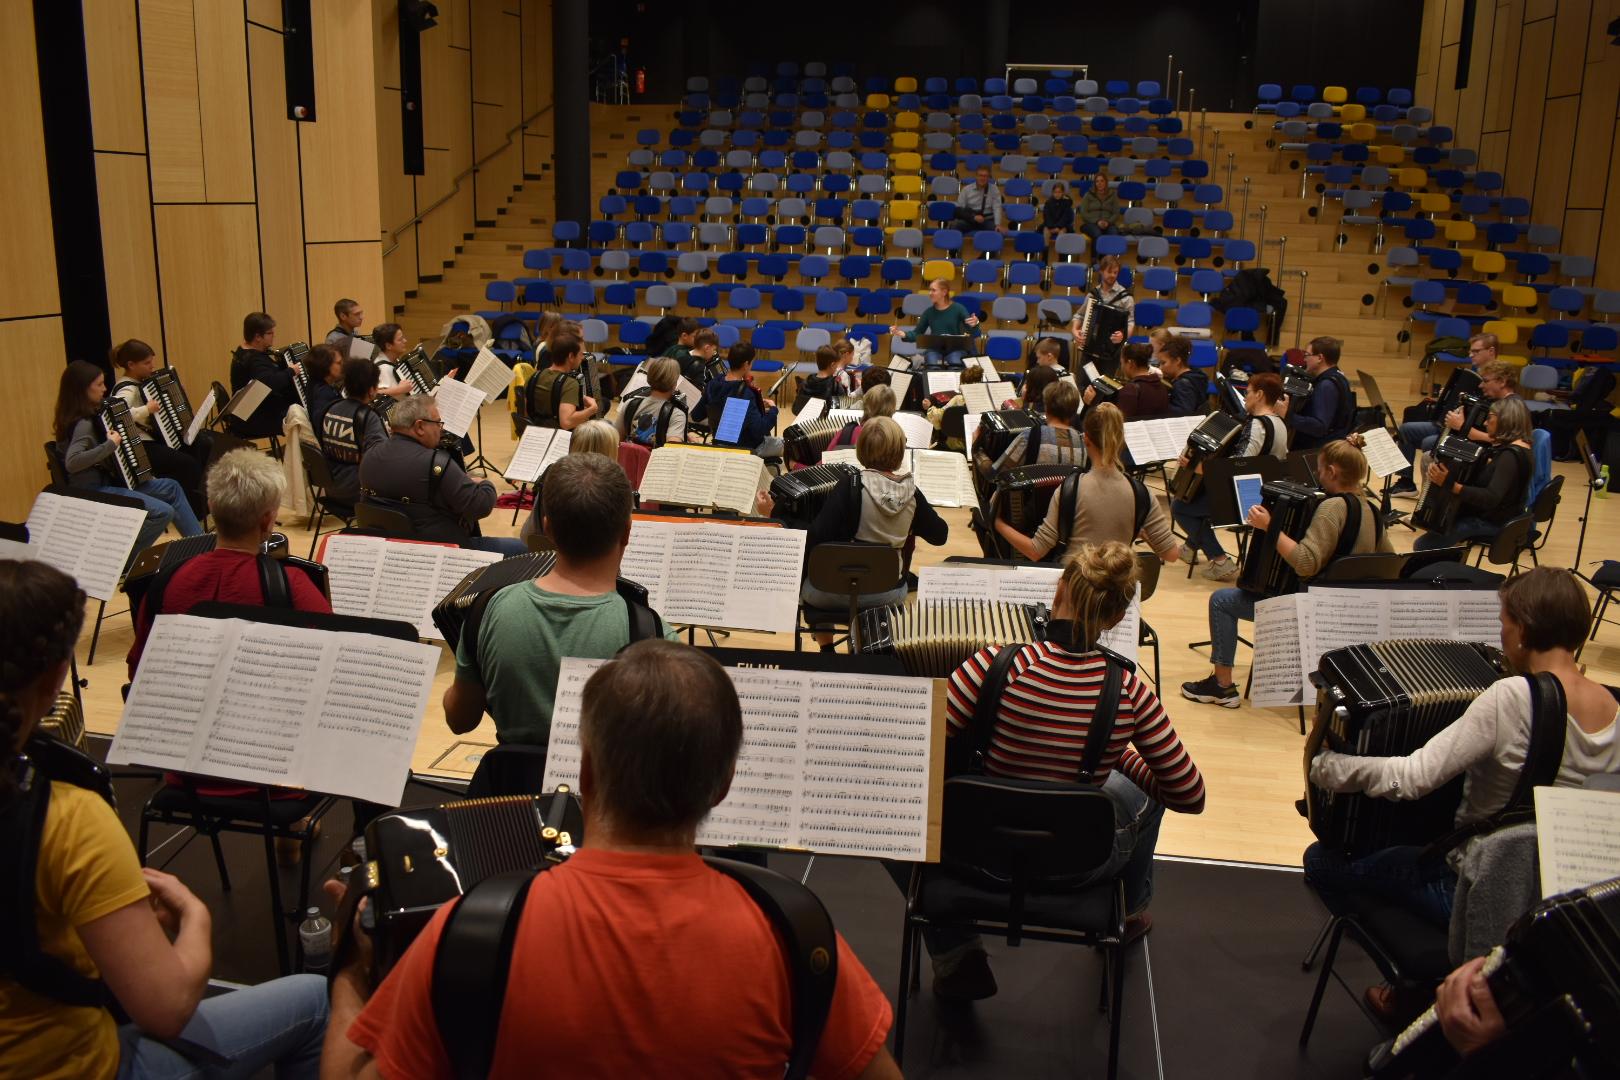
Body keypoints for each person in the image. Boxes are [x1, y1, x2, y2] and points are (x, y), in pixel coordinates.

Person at [336, 638, 900, 1078]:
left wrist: (350, 973)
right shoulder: (793, 934)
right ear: (723, 786)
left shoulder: (470, 931)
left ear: (585, 772)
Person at [0, 560, 328, 1079]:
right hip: (76, 1068)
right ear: (57, 674)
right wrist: (195, 917)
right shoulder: (68, 820)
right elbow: (167, 1008)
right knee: (315, 1000)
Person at [905, 542, 1206, 999]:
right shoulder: (1129, 691)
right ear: (1117, 618)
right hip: (1076, 866)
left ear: (1059, 588)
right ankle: (1128, 914)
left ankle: (956, 952)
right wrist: (1116, 754)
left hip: (979, 855)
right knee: (1146, 795)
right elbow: (1189, 794)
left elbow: (914, 748)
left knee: (895, 818)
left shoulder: (994, 664)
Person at [1306, 567, 1620, 932]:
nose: (1501, 634)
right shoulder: (1613, 707)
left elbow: (1411, 778)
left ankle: (1411, 958)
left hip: (1475, 889)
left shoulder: (1511, 697)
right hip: (1560, 900)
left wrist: (1326, 766)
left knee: (1320, 861)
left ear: (1523, 630)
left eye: (1504, 623)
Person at [446, 453, 677, 746]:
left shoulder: (487, 610)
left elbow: (460, 720)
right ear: (626, 533)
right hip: (605, 776)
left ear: (548, 529)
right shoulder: (654, 635)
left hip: (511, 776)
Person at [1182, 439, 1393, 707]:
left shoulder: (1332, 508)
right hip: (1350, 612)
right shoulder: (1372, 510)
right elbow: (1387, 561)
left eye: (1320, 469)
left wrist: (1269, 527)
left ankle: (1222, 686)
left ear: (1332, 472)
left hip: (1313, 609)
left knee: (1221, 601)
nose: (1317, 474)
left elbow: (1305, 563)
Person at [127, 448, 332, 677]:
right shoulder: (293, 585)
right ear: (267, 521)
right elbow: (330, 663)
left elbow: (137, 671)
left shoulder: (167, 582)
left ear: (212, 507)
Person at [759, 416, 948, 648]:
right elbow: (940, 536)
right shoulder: (913, 494)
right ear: (900, 453)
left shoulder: (849, 486)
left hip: (832, 593)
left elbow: (814, 538)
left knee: (813, 565)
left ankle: (826, 648)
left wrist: (776, 513)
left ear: (861, 450)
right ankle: (869, 647)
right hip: (888, 592)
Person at [54, 360, 204, 563]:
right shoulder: (83, 424)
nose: (104, 389)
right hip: (94, 490)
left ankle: (201, 546)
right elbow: (72, 462)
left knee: (172, 487)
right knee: (162, 512)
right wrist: (110, 445)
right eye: (99, 384)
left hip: (110, 483)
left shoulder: (87, 416)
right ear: (82, 389)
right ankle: (123, 561)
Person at [995, 402, 1180, 564]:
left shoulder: (1071, 488)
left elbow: (1036, 550)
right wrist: (1140, 531)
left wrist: (998, 524)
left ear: (1086, 440)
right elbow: (1171, 555)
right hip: (1116, 586)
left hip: (1076, 584)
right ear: (1121, 441)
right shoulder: (1141, 493)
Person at [358, 394, 526, 555]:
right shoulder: (435, 464)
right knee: (525, 548)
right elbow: (480, 506)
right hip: (441, 553)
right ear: (420, 427)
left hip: (387, 550)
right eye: (437, 423)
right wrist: (484, 484)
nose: (441, 428)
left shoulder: (369, 456)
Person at [1172, 371, 1289, 581]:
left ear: (1260, 395)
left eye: (1249, 392)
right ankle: (1190, 547)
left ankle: (1219, 560)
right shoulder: (1280, 423)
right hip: (1266, 495)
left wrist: (1195, 466)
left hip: (1247, 500)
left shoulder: (1257, 425)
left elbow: (1236, 468)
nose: (1245, 397)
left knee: (1181, 507)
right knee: (1198, 498)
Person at [1413, 396, 1535, 551]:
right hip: (1500, 516)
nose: (1485, 423)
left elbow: (1491, 498)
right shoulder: (1521, 448)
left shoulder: (1510, 456)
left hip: (1495, 523)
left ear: (1505, 420)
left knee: (1422, 545)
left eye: (1489, 418)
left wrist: (1450, 485)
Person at [108, 339, 207, 518]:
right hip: (140, 446)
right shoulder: (127, 389)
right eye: (146, 363)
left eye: (152, 361)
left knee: (201, 444)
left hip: (152, 441)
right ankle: (195, 513)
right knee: (187, 464)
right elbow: (117, 413)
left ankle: (203, 504)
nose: (152, 366)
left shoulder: (142, 382)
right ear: (131, 365)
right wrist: (146, 409)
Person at [1392, 352, 1517, 493]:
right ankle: (1424, 496)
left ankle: (1431, 500)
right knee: (1427, 449)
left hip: (1487, 457)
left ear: (1502, 382)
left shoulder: (1513, 407)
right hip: (1480, 450)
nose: (1481, 385)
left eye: (1486, 381)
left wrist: (1461, 427)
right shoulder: (1498, 402)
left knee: (1430, 454)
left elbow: (1506, 441)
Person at [319, 358, 390, 505]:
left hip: (330, 487)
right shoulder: (368, 417)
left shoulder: (330, 408)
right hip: (357, 492)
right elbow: (380, 461)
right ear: (371, 390)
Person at [990, 378, 1085, 477]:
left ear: (1047, 407)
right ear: (1074, 411)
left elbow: (998, 473)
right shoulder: (1083, 442)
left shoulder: (1030, 436)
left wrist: (980, 454)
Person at [699, 342, 780, 454]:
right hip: (746, 449)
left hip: (718, 445)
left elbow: (697, 415)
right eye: (751, 362)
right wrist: (773, 410)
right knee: (788, 444)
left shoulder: (712, 384)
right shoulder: (745, 393)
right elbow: (759, 430)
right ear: (746, 364)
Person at [229, 311, 300, 438]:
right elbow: (269, 383)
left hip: (249, 412)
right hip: (255, 418)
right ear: (257, 337)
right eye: (269, 333)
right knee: (302, 413)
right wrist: (291, 371)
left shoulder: (243, 351)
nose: (273, 336)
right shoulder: (253, 360)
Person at [887, 279, 981, 370]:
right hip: (934, 349)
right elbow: (917, 333)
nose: (930, 293)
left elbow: (972, 331)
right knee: (932, 362)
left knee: (955, 361)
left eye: (933, 290)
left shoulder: (958, 309)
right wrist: (903, 334)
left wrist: (975, 323)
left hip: (956, 349)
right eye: (930, 290)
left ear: (944, 292)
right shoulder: (929, 312)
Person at [1288, 335, 1356, 450]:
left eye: (1307, 355)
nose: (1304, 359)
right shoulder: (1339, 377)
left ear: (1320, 358)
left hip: (1318, 450)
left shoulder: (1326, 385)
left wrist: (1287, 416)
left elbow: (1319, 427)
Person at [1070, 255, 1134, 376]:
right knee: (1082, 382)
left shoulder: (1126, 297)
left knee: (1105, 385)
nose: (1113, 275)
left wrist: (1123, 335)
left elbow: (1130, 323)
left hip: (1111, 351)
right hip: (1089, 347)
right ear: (1101, 271)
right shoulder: (1093, 294)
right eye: (1109, 272)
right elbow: (1079, 315)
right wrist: (1074, 330)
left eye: (1115, 272)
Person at [524, 331, 599, 430]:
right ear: (571, 356)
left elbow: (525, 413)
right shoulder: (570, 383)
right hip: (558, 436)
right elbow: (566, 422)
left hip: (533, 433)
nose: (582, 357)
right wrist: (592, 409)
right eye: (581, 354)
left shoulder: (533, 377)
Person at [618, 356, 689, 448]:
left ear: (649, 378)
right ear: (674, 383)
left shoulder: (630, 403)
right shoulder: (677, 414)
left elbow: (616, 440)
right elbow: (673, 450)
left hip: (628, 456)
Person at [1089, 344, 1168, 419]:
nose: (1122, 367)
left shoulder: (1130, 391)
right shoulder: (1161, 386)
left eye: (1122, 363)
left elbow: (1118, 423)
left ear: (1130, 363)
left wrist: (1092, 404)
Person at [927, 363, 984, 451]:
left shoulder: (958, 399)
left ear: (963, 384)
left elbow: (938, 416)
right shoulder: (985, 401)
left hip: (955, 445)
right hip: (979, 445)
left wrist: (930, 407)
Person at [825, 385, 895, 453]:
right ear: (892, 411)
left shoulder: (848, 433)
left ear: (865, 407)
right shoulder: (896, 439)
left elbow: (826, 459)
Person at [301, 342, 345, 433]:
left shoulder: (314, 382)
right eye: (339, 363)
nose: (343, 365)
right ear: (325, 365)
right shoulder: (323, 394)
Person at [1159, 337, 1207, 417]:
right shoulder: (1195, 375)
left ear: (1177, 361)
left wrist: (1160, 404)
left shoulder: (1183, 384)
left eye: (1163, 363)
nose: (1160, 368)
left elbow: (1183, 413)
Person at [793, 344, 848, 413]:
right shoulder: (835, 386)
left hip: (805, 419)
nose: (837, 368)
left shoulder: (805, 382)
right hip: (826, 420)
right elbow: (841, 411)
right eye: (836, 365)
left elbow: (796, 409)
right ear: (832, 365)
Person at [369, 323, 417, 400]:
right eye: (400, 339)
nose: (405, 341)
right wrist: (399, 389)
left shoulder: (393, 360)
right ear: (388, 346)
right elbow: (376, 395)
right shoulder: (382, 368)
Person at [954, 165, 1002, 230]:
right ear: (976, 176)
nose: (982, 178)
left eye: (985, 176)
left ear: (989, 178)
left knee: (997, 230)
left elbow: (997, 208)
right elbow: (959, 210)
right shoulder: (966, 189)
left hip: (986, 220)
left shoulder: (994, 189)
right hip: (970, 218)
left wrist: (998, 224)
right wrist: (973, 217)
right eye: (980, 175)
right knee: (956, 226)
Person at [1076, 173, 1122, 240]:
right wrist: (1097, 221)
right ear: (1095, 183)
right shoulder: (1088, 195)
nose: (1099, 183)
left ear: (1106, 182)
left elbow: (1116, 212)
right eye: (1097, 181)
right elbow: (1083, 212)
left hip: (1108, 223)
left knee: (1114, 233)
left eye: (1102, 181)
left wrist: (1108, 222)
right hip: (1091, 223)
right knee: (1097, 233)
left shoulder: (1113, 195)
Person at [1040, 180, 1074, 251]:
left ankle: (1060, 251)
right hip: (1050, 225)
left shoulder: (1066, 203)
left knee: (1062, 232)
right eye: (1055, 192)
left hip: (1062, 226)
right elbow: (1047, 216)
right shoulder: (1048, 203)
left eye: (1059, 192)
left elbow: (1065, 217)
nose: (1057, 194)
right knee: (1046, 231)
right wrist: (1051, 227)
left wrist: (1058, 227)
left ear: (1063, 193)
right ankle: (1045, 251)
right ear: (1052, 193)